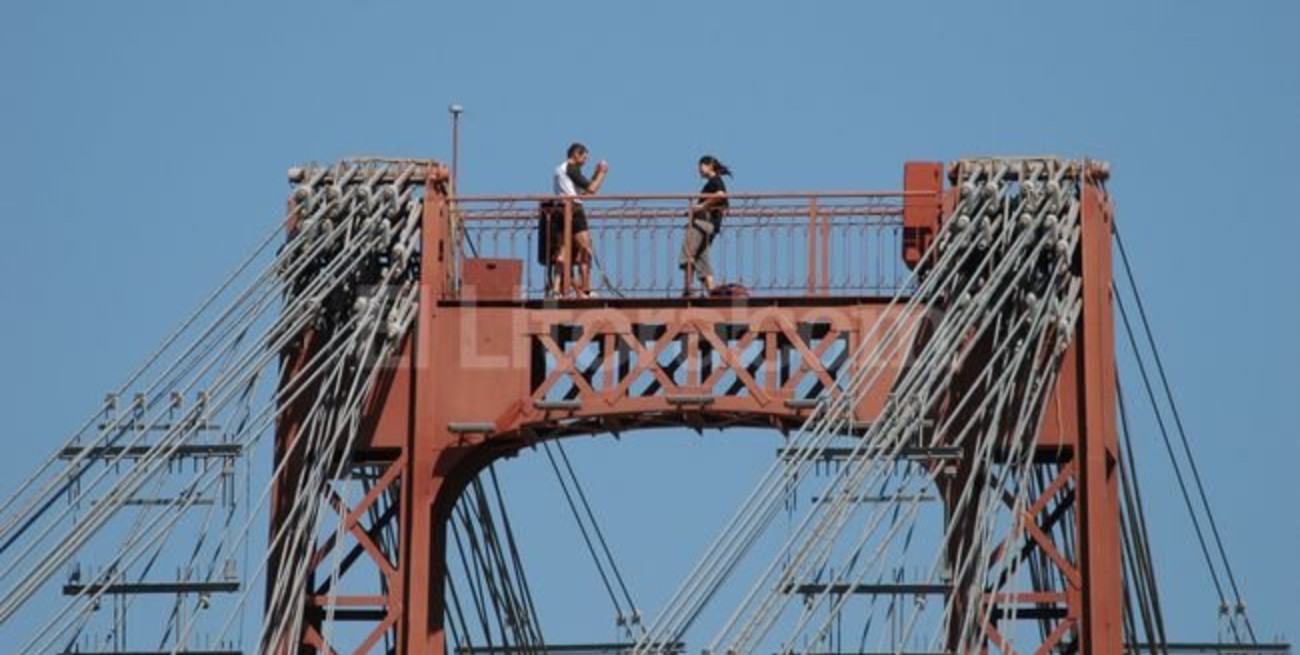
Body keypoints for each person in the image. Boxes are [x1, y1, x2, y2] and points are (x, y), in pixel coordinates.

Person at [550, 142, 608, 297]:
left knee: (562, 251)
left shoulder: (560, 169)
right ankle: (586, 288)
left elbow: (582, 190)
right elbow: (592, 190)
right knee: (586, 249)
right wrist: (602, 173)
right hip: (574, 210)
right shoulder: (571, 169)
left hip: (559, 210)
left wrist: (594, 175)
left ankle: (556, 289)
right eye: (584, 157)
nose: (585, 160)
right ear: (576, 154)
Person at [679, 155, 731, 295]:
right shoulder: (716, 182)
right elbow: (725, 206)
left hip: (701, 224)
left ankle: (688, 289)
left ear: (709, 166)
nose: (699, 170)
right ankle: (713, 292)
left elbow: (720, 195)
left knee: (689, 254)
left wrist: (701, 207)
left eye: (700, 166)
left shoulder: (715, 181)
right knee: (702, 258)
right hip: (710, 226)